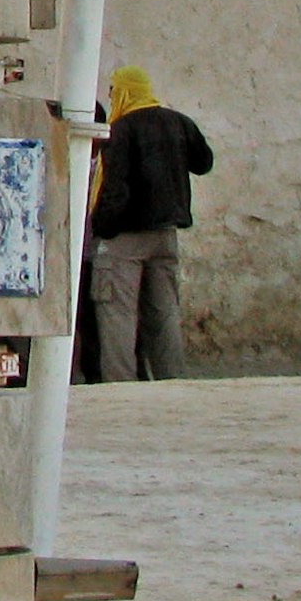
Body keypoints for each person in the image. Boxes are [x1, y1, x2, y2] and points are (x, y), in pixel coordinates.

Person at [88, 66, 215, 382]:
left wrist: (102, 227)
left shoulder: (120, 129)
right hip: (166, 235)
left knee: (118, 316)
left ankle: (121, 387)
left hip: (125, 238)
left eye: (114, 91)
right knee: (164, 315)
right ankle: (171, 382)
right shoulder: (178, 122)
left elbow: (115, 189)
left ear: (124, 92)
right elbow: (204, 162)